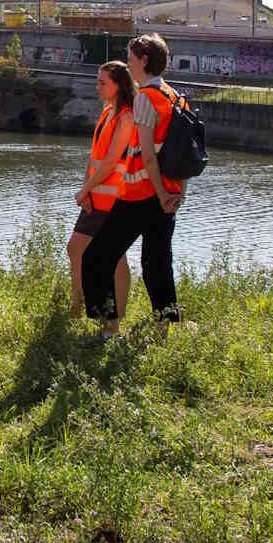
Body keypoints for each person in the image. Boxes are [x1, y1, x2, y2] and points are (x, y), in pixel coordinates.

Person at [80, 35, 188, 340]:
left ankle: (109, 328)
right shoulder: (175, 97)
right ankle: (163, 331)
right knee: (157, 261)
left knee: (97, 257)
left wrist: (161, 193)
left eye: (131, 57)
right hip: (166, 197)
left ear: (143, 60)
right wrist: (177, 192)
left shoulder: (144, 99)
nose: (128, 62)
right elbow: (183, 154)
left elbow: (149, 158)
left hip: (141, 194)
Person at [68, 61, 134, 322]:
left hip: (115, 199)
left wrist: (86, 188)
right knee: (75, 249)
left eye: (102, 82)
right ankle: (78, 308)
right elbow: (95, 157)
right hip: (97, 197)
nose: (98, 86)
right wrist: (86, 191)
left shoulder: (126, 116)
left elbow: (111, 162)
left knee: (115, 259)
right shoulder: (108, 111)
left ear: (118, 85)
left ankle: (114, 317)